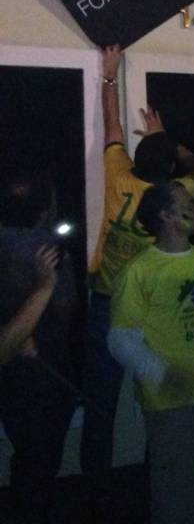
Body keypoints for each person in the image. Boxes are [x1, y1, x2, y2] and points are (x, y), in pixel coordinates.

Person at [81, 44, 194, 506]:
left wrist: (109, 75)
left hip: (107, 306)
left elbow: (111, 125)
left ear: (136, 158)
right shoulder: (176, 196)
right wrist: (167, 138)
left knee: (100, 404)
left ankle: (94, 495)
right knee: (159, 399)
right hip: (151, 310)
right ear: (168, 170)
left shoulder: (119, 177)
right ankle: (159, 483)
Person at [107, 182, 194, 524]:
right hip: (170, 403)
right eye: (189, 204)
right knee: (174, 495)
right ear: (167, 216)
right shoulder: (139, 271)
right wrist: (164, 376)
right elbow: (120, 339)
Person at [0, 170, 78, 524]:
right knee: (39, 463)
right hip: (43, 374)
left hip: (15, 378)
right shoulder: (48, 250)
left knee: (26, 456)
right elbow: (65, 308)